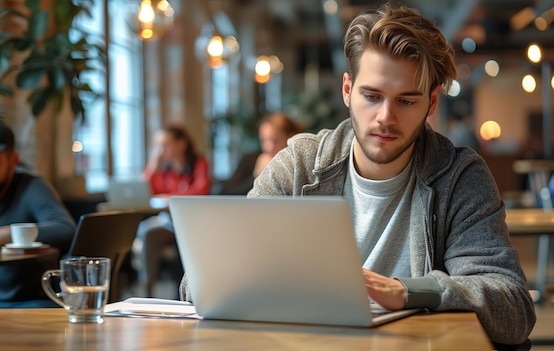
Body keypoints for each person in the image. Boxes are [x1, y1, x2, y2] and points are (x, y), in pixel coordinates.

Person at [180, 3, 535, 347]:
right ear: (348, 90)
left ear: (432, 101)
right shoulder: (300, 165)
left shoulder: (459, 178)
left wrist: (408, 291)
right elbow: (198, 284)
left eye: (406, 101)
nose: (385, 117)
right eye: (372, 95)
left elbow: (513, 308)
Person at [0, 121, 76, 305]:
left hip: (27, 300)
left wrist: (8, 234)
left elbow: (65, 228)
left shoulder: (30, 187)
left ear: (13, 161)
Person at [133, 124, 211, 297]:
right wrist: (152, 165)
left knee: (178, 238)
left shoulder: (199, 163)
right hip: (168, 222)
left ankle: (182, 293)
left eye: (165, 144)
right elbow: (144, 191)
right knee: (148, 233)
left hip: (192, 223)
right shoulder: (162, 169)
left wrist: (171, 197)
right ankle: (147, 291)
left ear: (181, 144)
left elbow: (201, 191)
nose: (161, 150)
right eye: (158, 146)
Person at [220, 112, 301, 195]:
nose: (267, 147)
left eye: (275, 141)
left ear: (291, 138)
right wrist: (256, 177)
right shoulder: (250, 160)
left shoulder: (300, 165)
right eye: (263, 140)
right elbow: (224, 193)